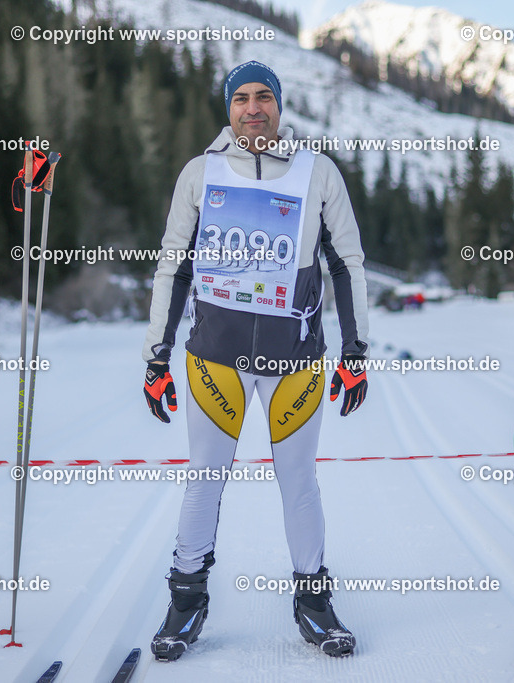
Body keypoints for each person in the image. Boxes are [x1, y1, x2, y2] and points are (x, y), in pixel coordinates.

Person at [141, 60, 370, 661]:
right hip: (215, 358)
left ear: (279, 105)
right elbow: (175, 267)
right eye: (240, 98)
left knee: (298, 482)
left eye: (263, 97)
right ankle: (185, 601)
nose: (252, 108)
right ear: (228, 109)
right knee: (203, 480)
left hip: (295, 358)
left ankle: (314, 602)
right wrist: (156, 357)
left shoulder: (317, 172)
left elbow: (347, 264)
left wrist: (356, 350)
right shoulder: (201, 173)